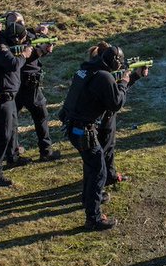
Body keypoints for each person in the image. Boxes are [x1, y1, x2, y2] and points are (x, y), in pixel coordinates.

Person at [62, 43, 148, 230]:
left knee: (92, 165)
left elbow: (107, 94)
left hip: (73, 127)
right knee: (99, 171)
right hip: (85, 130)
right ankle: (93, 218)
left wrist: (132, 77)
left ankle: (89, 198)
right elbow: (116, 102)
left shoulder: (88, 71)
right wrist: (125, 81)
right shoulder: (103, 76)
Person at [0, 17, 31, 187]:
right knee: (2, 136)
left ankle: (12, 157)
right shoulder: (0, 47)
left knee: (11, 130)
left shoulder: (4, 42)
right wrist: (24, 54)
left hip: (7, 97)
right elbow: (13, 63)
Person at [15, 18, 60, 162]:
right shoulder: (20, 39)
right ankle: (46, 151)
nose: (23, 24)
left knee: (12, 118)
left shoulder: (13, 37)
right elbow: (28, 55)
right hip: (27, 83)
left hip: (18, 82)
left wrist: (39, 33)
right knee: (41, 115)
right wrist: (42, 49)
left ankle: (12, 151)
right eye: (19, 21)